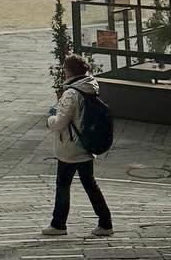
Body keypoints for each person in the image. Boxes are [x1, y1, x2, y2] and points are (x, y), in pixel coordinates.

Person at [42, 55, 113, 239]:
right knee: (90, 185)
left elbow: (59, 122)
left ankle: (58, 224)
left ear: (70, 71)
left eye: (65, 69)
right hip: (86, 145)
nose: (63, 71)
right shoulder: (90, 86)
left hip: (70, 148)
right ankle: (105, 222)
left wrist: (49, 120)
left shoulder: (71, 93)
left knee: (63, 185)